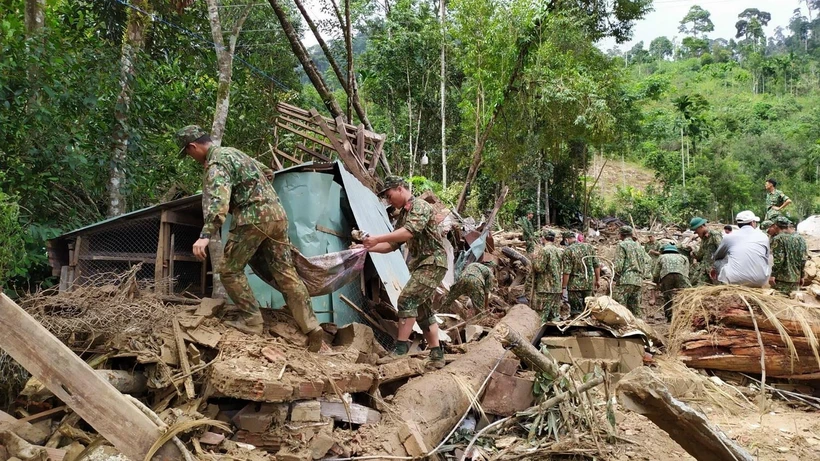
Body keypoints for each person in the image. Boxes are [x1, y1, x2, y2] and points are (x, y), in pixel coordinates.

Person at [177, 125, 325, 349]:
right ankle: (311, 325)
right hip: (277, 215)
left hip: (252, 218)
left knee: (229, 270)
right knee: (285, 272)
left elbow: (219, 202)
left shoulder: (217, 164)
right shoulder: (235, 153)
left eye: (188, 153)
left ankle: (252, 321)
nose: (191, 157)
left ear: (193, 146)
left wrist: (205, 235)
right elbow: (268, 172)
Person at [363, 176, 448, 370]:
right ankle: (437, 355)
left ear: (400, 189)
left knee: (406, 299)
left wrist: (376, 238)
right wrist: (366, 248)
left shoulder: (419, 206)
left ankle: (400, 350)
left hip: (433, 262)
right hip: (422, 265)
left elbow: (408, 232)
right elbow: (392, 245)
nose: (388, 200)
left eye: (389, 195)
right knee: (423, 311)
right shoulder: (403, 215)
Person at [713, 210, 770, 287]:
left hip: (735, 281)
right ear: (752, 223)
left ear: (738, 224)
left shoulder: (729, 237)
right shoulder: (764, 236)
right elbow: (766, 257)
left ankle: (722, 285)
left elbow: (717, 256)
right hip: (760, 280)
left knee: (718, 261)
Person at [561, 231, 600, 316]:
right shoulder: (589, 247)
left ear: (566, 240)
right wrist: (597, 280)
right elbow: (596, 265)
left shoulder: (568, 251)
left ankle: (577, 327)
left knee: (576, 312)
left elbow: (567, 271)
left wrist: (564, 287)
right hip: (588, 283)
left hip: (574, 286)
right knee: (588, 309)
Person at [529, 230, 564, 322]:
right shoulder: (559, 251)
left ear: (543, 238)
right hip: (556, 288)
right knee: (555, 315)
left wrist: (533, 260)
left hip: (545, 287)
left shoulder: (544, 251)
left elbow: (539, 268)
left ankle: (537, 334)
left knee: (541, 315)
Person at [612, 226, 646, 316]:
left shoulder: (622, 245)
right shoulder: (639, 246)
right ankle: (639, 326)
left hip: (626, 279)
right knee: (635, 308)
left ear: (622, 235)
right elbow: (646, 262)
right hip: (638, 280)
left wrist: (614, 275)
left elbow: (618, 266)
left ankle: (621, 327)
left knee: (618, 306)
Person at [652, 244, 690, 322]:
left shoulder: (662, 257)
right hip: (681, 275)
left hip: (666, 276)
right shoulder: (683, 257)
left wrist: (656, 282)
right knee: (686, 295)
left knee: (668, 297)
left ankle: (669, 317)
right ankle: (685, 315)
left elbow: (656, 273)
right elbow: (686, 271)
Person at [769, 217, 804, 295]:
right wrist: (802, 276)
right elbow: (803, 259)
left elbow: (779, 260)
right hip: (796, 279)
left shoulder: (778, 239)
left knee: (779, 303)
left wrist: (773, 275)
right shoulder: (800, 239)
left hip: (782, 280)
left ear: (776, 226)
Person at [689, 217, 722, 286]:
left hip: (715, 270)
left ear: (701, 227)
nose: (697, 234)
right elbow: (700, 255)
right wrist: (693, 252)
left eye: (697, 231)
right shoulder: (703, 240)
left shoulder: (714, 235)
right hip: (704, 270)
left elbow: (722, 250)